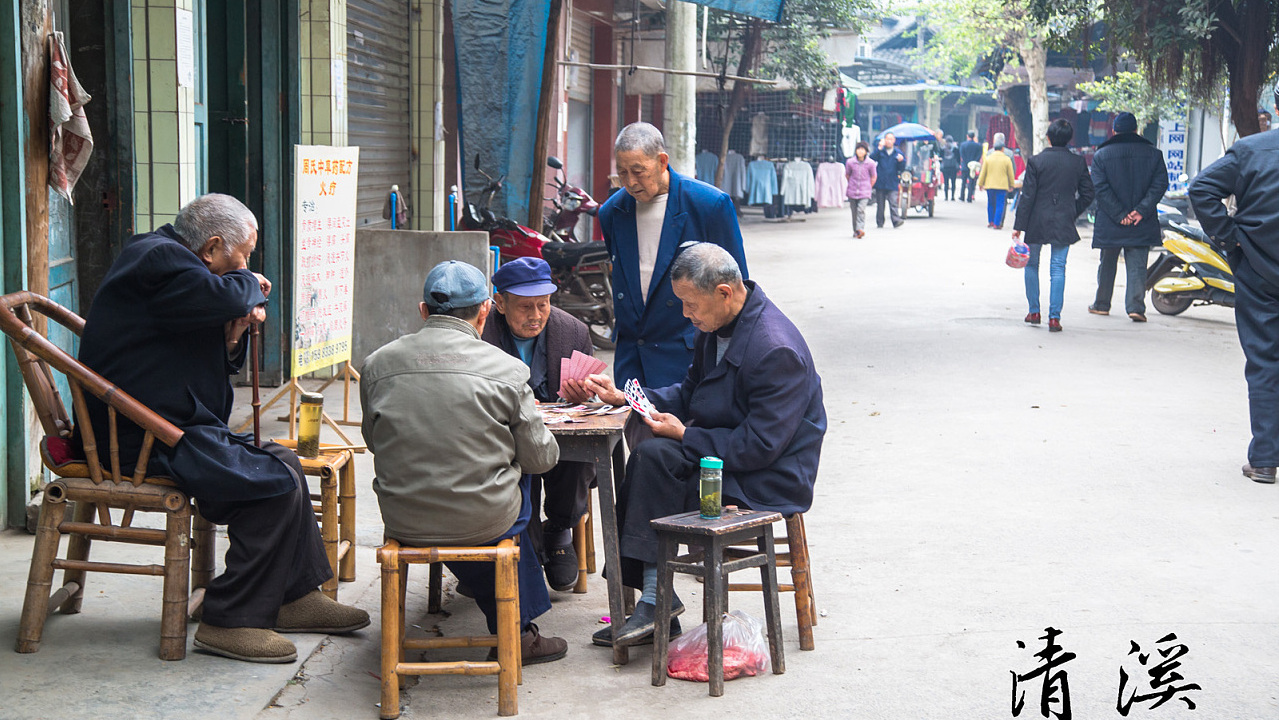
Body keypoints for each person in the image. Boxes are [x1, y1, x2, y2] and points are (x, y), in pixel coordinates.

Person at [76, 193, 369, 664]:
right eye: (243, 254)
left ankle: (294, 597)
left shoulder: (173, 268)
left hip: (172, 424)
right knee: (268, 484)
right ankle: (229, 619)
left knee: (284, 462)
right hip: (140, 435)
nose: (248, 266)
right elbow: (234, 292)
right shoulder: (159, 258)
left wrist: (232, 333)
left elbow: (200, 333)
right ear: (212, 247)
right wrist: (247, 283)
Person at [582, 243, 826, 646]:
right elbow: (690, 392)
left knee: (654, 460)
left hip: (766, 476)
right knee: (651, 456)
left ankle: (656, 602)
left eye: (690, 303)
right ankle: (656, 599)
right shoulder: (715, 329)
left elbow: (761, 445)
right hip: (725, 453)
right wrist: (627, 397)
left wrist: (685, 435)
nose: (685, 314)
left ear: (724, 293)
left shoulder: (775, 348)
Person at [360, 261, 568, 664]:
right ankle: (518, 630)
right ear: (486, 311)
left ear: (423, 311)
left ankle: (503, 610)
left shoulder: (376, 365)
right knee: (516, 477)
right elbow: (542, 459)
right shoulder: (507, 371)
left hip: (404, 518)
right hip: (483, 522)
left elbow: (373, 441)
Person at [597, 122, 749, 391]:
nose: (630, 182)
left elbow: (739, 289)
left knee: (688, 433)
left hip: (688, 357)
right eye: (622, 172)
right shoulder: (612, 212)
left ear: (662, 161)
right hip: (632, 360)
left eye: (638, 171)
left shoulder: (709, 205)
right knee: (637, 433)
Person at [481, 256, 595, 591]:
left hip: (556, 438)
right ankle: (525, 548)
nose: (535, 316)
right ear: (499, 303)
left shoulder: (573, 331)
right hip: (503, 438)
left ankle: (559, 527)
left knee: (579, 456)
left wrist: (582, 397)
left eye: (543, 305)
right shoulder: (482, 333)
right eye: (524, 307)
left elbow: (588, 401)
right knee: (515, 465)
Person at [1188, 84, 1279, 483]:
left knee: (1263, 363)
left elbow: (1202, 188)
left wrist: (1231, 239)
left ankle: (1264, 460)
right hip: (1256, 267)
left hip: (1259, 270)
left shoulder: (1252, 150)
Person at [1011, 119, 1096, 332]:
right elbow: (1088, 194)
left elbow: (1027, 196)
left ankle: (1034, 311)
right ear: (1069, 139)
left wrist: (1019, 225)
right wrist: (1072, 211)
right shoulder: (1077, 163)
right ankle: (1055, 318)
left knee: (1032, 265)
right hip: (1063, 221)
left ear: (1048, 138)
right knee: (1058, 268)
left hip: (1036, 220)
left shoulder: (1036, 161)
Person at [1086, 111, 1168, 322]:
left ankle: (1102, 304)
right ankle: (1136, 307)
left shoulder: (1101, 155)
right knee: (1138, 265)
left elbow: (1100, 188)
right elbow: (1159, 185)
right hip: (1142, 220)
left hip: (1111, 221)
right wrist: (1141, 210)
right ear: (1136, 130)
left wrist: (1119, 214)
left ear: (1114, 131)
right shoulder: (1154, 154)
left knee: (1107, 263)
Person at [977, 133, 1016, 229]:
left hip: (989, 185)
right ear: (1002, 148)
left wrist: (980, 183)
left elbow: (983, 172)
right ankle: (996, 223)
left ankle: (990, 221)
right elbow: (1011, 173)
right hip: (1002, 186)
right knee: (1000, 204)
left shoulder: (988, 158)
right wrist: (1012, 185)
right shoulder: (1007, 159)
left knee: (990, 203)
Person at [869, 132, 906, 229]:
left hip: (892, 181)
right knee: (880, 204)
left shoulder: (898, 153)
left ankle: (896, 220)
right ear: (884, 140)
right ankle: (880, 222)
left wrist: (902, 161)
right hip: (881, 181)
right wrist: (879, 148)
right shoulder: (880, 152)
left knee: (893, 202)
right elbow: (871, 159)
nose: (889, 141)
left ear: (894, 141)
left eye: (891, 139)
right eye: (887, 139)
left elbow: (902, 168)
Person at [844, 141, 876, 238]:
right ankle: (856, 230)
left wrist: (868, 186)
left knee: (861, 209)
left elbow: (873, 176)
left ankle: (860, 228)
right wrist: (851, 183)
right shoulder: (850, 162)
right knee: (854, 212)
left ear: (866, 151)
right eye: (858, 149)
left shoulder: (870, 163)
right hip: (852, 190)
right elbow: (847, 175)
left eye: (862, 149)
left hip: (865, 191)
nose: (860, 151)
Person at [959, 131, 983, 202]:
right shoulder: (978, 145)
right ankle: (970, 197)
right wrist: (974, 161)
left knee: (963, 182)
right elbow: (979, 155)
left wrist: (966, 162)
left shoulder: (963, 145)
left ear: (967, 136)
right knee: (971, 182)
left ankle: (962, 196)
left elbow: (962, 155)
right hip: (973, 166)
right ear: (974, 137)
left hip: (965, 165)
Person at [940, 135, 961, 201]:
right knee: (953, 182)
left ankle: (946, 196)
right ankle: (952, 196)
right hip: (953, 167)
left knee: (946, 182)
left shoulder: (943, 148)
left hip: (945, 167)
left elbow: (941, 157)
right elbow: (958, 158)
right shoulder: (955, 148)